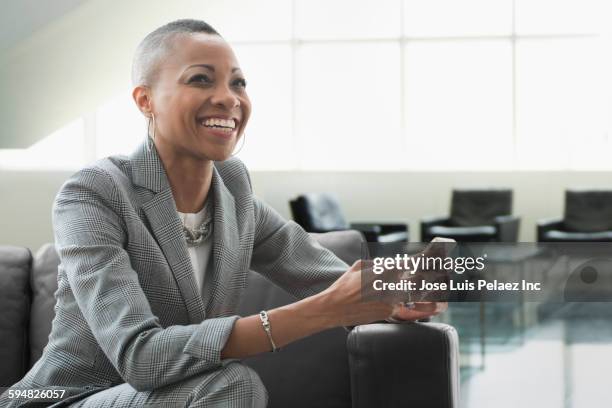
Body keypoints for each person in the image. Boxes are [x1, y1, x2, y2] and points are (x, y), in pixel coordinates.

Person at [1, 19, 446, 407]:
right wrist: (322, 312)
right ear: (145, 100)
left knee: (224, 385)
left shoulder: (233, 189)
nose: (228, 98)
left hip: (178, 399)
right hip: (70, 399)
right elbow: (140, 357)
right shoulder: (94, 193)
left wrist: (393, 299)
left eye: (238, 82)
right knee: (228, 386)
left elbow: (327, 276)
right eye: (200, 79)